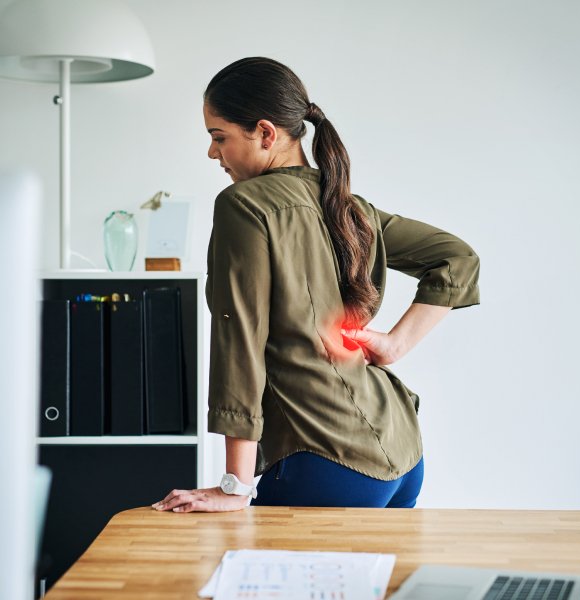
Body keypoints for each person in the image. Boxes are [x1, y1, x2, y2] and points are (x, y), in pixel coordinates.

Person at [152, 57, 480, 513]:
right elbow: (458, 257)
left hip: (324, 458)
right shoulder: (349, 205)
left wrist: (235, 485)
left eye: (218, 136)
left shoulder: (244, 205)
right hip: (402, 453)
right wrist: (395, 345)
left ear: (266, 133)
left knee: (259, 584)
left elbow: (240, 340)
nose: (213, 153)